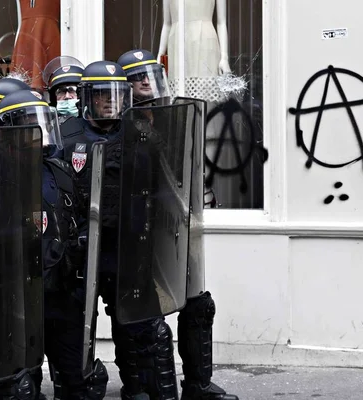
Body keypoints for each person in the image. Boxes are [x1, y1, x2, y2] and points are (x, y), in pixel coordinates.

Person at [118, 49, 239, 400]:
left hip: (174, 228)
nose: (145, 81)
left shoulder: (171, 118)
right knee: (142, 320)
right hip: (136, 235)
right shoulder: (121, 125)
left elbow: (185, 170)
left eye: (150, 74)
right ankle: (143, 388)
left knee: (199, 304)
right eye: (137, 76)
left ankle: (197, 386)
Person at [60, 60, 179, 400]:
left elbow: (161, 190)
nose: (111, 101)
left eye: (117, 94)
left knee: (139, 329)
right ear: (87, 97)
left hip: (126, 249)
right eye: (102, 95)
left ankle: (138, 388)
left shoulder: (141, 134)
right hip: (79, 254)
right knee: (73, 332)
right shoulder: (66, 136)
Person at [0, 90, 108, 400]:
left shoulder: (59, 170)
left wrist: (82, 247)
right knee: (21, 387)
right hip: (17, 300)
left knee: (80, 380)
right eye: (31, 121)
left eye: (42, 120)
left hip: (61, 294)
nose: (40, 128)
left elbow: (80, 219)